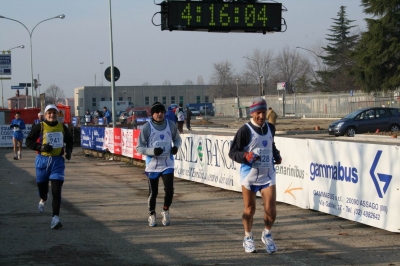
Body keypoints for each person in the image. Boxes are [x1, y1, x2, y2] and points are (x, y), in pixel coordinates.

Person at [228, 97, 282, 254]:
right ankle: (248, 236)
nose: (261, 116)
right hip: (249, 176)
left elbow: (271, 144)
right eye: (258, 113)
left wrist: (277, 155)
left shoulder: (271, 128)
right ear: (252, 113)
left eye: (264, 112)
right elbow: (232, 152)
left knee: (271, 210)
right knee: (250, 209)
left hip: (268, 175)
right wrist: (246, 156)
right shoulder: (244, 130)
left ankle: (267, 234)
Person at [25, 104, 74, 229]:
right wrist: (41, 147)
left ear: (58, 114)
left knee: (56, 191)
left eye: (54, 113)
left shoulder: (62, 127)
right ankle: (43, 198)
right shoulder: (40, 126)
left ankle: (55, 218)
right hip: (42, 161)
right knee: (43, 189)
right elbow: (28, 141)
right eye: (49, 113)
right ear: (45, 114)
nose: (52, 115)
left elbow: (69, 140)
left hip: (57, 162)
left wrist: (68, 151)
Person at [136, 102, 182, 227]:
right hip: (153, 165)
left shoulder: (170, 125)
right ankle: (151, 214)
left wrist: (175, 147)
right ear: (153, 114)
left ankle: (165, 210)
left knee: (170, 191)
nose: (160, 114)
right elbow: (139, 147)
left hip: (167, 163)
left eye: (162, 111)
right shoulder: (147, 127)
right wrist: (152, 151)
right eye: (157, 112)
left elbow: (178, 139)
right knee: (153, 193)